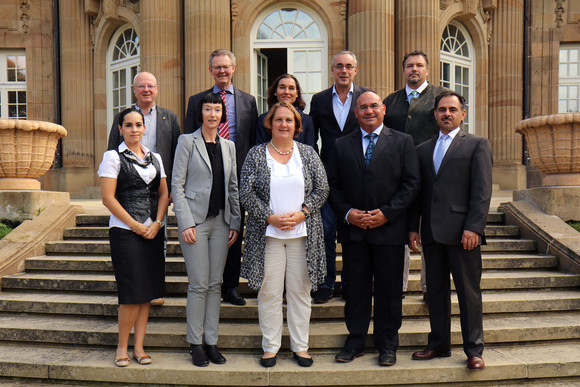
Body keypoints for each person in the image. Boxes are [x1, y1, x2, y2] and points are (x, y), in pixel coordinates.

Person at [328, 91, 420, 366]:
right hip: (354, 231)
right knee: (355, 289)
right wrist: (347, 213)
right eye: (363, 107)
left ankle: (387, 343)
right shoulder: (340, 145)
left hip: (389, 231)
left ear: (384, 109)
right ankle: (355, 340)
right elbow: (331, 186)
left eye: (374, 106)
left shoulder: (404, 142)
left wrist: (387, 214)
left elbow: (412, 184)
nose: (369, 111)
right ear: (355, 113)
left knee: (389, 291)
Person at [240, 102, 328, 368]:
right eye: (278, 119)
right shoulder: (256, 154)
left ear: (296, 125)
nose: (283, 124)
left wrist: (304, 212)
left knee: (301, 292)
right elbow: (245, 192)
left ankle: (301, 347)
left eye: (289, 120)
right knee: (269, 292)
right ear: (270, 123)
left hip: (303, 234)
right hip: (268, 235)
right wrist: (269, 216)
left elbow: (322, 190)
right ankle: (270, 347)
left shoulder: (309, 153)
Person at [409, 90, 492, 371]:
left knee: (469, 294)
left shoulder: (477, 145)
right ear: (435, 114)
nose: (447, 114)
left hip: (463, 235)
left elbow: (481, 192)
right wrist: (413, 229)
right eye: (442, 109)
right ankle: (439, 344)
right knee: (436, 293)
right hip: (431, 234)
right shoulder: (422, 150)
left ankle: (473, 350)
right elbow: (418, 194)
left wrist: (474, 228)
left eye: (452, 110)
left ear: (462, 114)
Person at [184, 49, 258, 306]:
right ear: (210, 70)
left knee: (234, 229)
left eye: (226, 67)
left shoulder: (248, 101)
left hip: (236, 172)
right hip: (205, 173)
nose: (222, 71)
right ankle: (204, 281)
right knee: (208, 227)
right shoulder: (196, 100)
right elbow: (188, 137)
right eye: (217, 67)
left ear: (234, 69)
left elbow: (251, 138)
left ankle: (230, 286)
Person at [172, 93, 241, 367]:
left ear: (222, 114)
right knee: (199, 284)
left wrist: (235, 221)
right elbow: (177, 184)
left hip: (222, 222)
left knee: (215, 285)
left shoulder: (229, 146)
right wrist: (185, 221)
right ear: (200, 113)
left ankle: (211, 341)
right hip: (196, 223)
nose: (212, 114)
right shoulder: (187, 141)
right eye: (208, 109)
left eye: (217, 110)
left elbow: (233, 187)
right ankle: (195, 343)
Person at [98, 108, 169, 367]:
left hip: (153, 231)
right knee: (131, 293)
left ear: (144, 127)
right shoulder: (112, 157)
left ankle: (139, 347)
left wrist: (158, 223)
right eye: (128, 125)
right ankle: (122, 347)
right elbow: (108, 198)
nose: (134, 129)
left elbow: (163, 195)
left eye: (138, 124)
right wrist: (135, 226)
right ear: (120, 128)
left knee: (147, 291)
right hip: (125, 231)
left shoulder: (155, 157)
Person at [107, 71, 181, 307]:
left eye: (151, 86)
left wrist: (170, 187)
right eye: (141, 86)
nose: (146, 90)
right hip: (129, 191)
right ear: (134, 89)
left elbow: (177, 153)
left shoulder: (169, 117)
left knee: (157, 238)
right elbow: (112, 150)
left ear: (157, 89)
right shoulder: (123, 118)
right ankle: (135, 288)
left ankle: (154, 287)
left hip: (159, 187)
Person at [383, 50, 447, 298]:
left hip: (432, 175)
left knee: (430, 233)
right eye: (410, 65)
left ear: (427, 70)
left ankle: (430, 287)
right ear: (403, 70)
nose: (414, 69)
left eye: (419, 65)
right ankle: (397, 286)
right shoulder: (391, 100)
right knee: (400, 233)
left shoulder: (440, 97)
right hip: (398, 179)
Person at [309, 50, 371, 304]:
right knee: (326, 230)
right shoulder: (320, 100)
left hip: (357, 175)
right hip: (326, 175)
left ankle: (350, 283)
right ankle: (325, 284)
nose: (344, 71)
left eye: (348, 66)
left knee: (352, 234)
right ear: (332, 70)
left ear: (355, 70)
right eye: (339, 66)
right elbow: (311, 137)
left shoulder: (365, 98)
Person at [255, 73, 315, 146]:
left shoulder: (307, 121)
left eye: (291, 88)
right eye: (282, 87)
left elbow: (311, 150)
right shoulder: (263, 119)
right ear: (275, 92)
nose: (286, 92)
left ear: (297, 94)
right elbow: (258, 148)